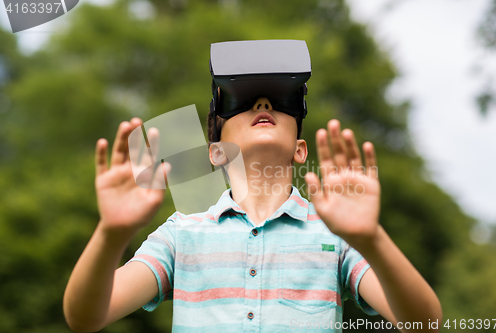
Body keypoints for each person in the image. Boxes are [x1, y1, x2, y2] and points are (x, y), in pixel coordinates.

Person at [63, 94, 442, 332]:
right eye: (242, 102)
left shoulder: (335, 235)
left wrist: (372, 238)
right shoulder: (182, 233)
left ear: (300, 149)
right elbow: (85, 318)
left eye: (280, 100)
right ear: (215, 152)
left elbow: (424, 324)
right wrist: (110, 234)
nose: (263, 104)